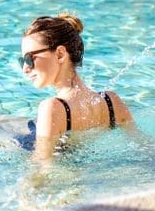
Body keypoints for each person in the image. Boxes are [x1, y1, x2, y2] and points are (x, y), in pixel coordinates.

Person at [20, 13, 133, 158]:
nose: (25, 68)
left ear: (60, 54)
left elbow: (42, 167)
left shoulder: (51, 108)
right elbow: (145, 146)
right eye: (21, 61)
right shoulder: (112, 102)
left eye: (29, 58)